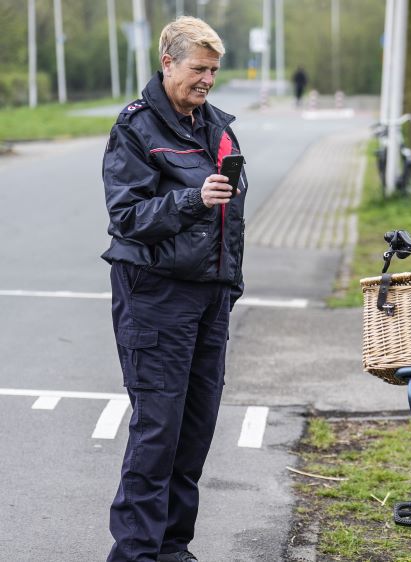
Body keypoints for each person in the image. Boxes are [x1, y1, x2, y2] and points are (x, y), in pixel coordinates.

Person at [101, 16, 247, 562]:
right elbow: (127, 217)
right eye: (198, 68)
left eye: (214, 70)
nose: (207, 79)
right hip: (155, 296)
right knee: (158, 433)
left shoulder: (218, 127)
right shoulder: (135, 129)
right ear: (168, 63)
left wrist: (229, 286)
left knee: (194, 433)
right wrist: (191, 199)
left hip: (210, 298)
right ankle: (135, 554)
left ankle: (171, 549)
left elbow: (232, 219)